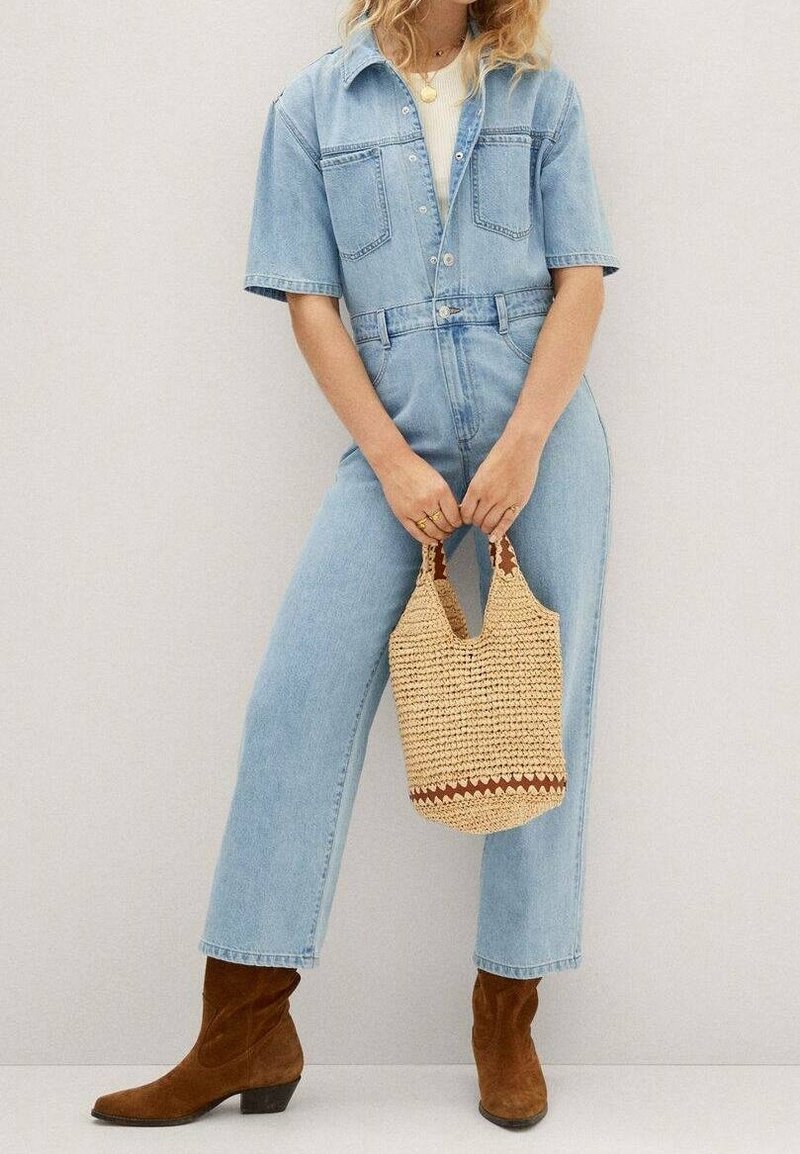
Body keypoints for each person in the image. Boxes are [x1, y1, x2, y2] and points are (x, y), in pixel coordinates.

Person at [91, 0, 620, 1132]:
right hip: (395, 441)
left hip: (542, 434)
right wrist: (388, 461)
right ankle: (243, 1023)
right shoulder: (311, 107)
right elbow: (311, 301)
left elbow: (580, 280)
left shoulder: (541, 97)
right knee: (296, 700)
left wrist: (525, 442)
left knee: (538, 716)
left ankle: (505, 1017)